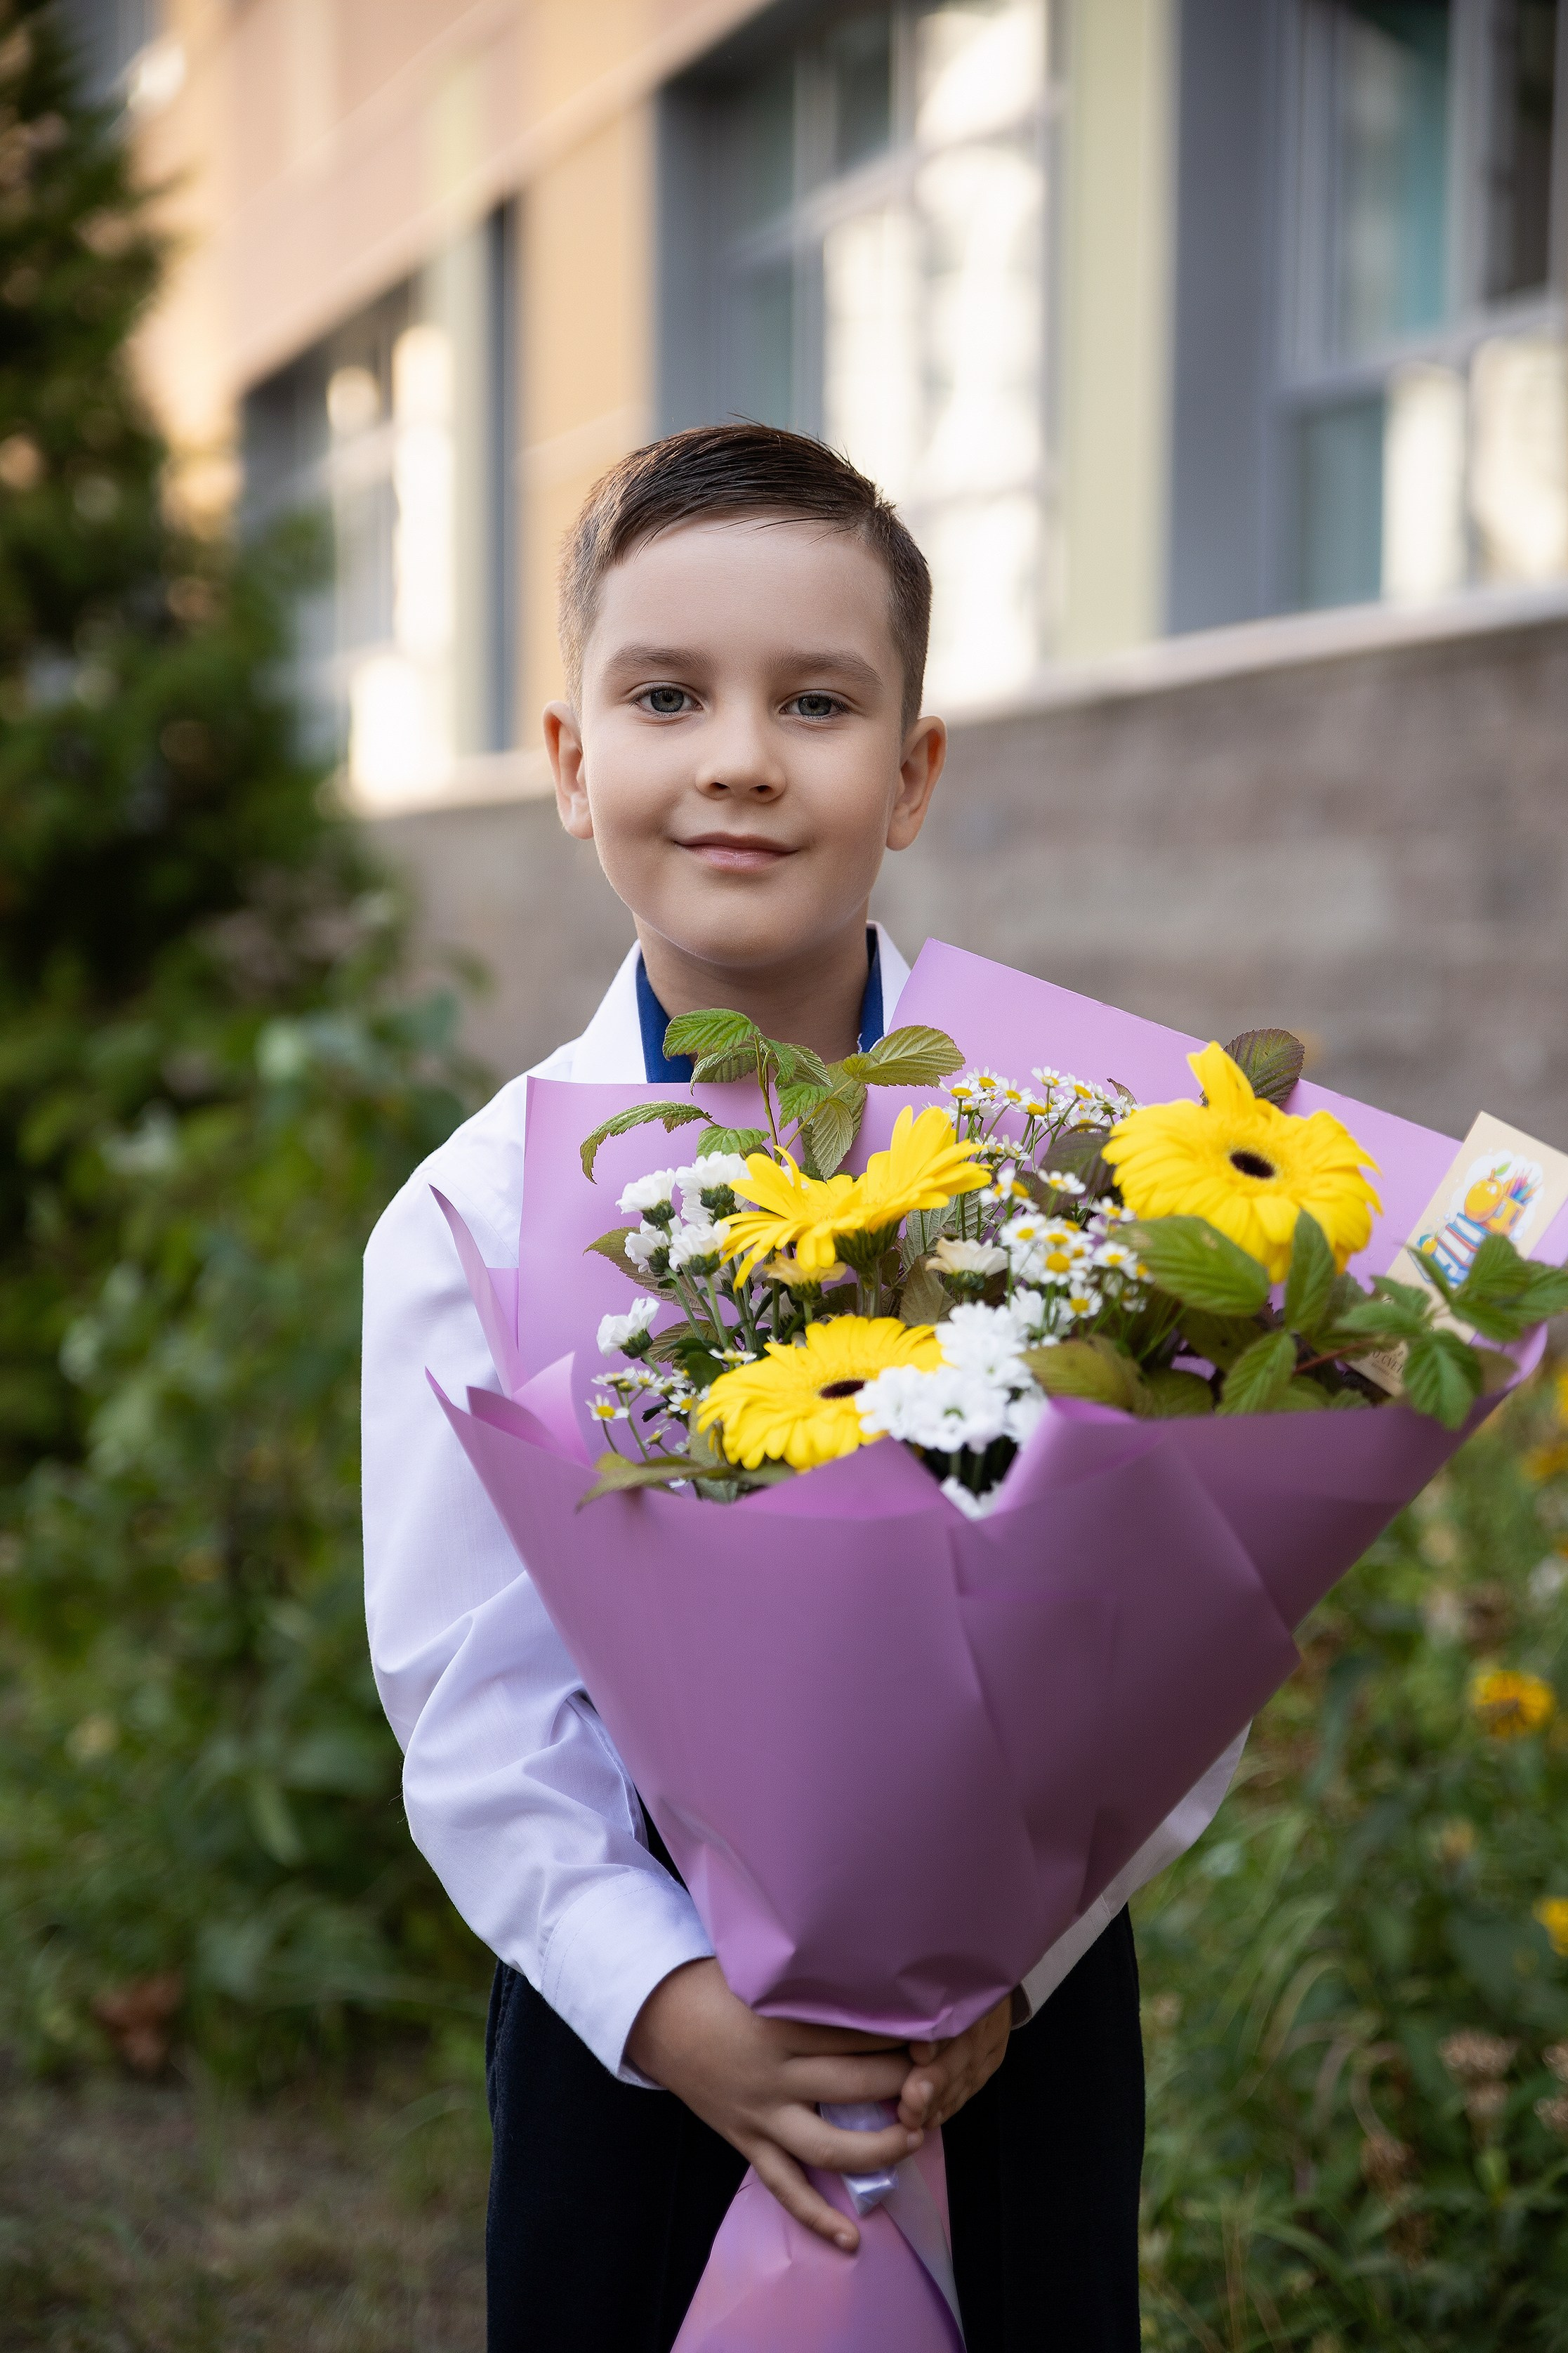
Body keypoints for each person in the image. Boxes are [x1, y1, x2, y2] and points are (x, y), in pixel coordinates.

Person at [362, 424, 1243, 2351]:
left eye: (818, 702)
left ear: (911, 774)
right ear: (570, 760)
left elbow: (1195, 1619)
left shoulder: (1083, 1162)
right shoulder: (473, 1217)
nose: (742, 757)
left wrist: (1012, 1955)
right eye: (666, 695)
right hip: (642, 2047)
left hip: (1010, 2037)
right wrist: (677, 2008)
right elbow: (474, 1707)